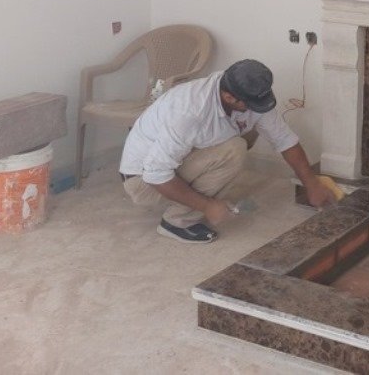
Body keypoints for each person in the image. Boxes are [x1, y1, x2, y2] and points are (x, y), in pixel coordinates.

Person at [119, 58, 333, 243]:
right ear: (229, 97)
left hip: (176, 160)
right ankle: (176, 222)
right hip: (142, 181)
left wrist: (311, 184)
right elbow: (155, 174)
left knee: (253, 130)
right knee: (235, 149)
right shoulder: (190, 112)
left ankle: (192, 199)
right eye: (251, 105)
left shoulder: (245, 92)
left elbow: (284, 140)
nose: (258, 109)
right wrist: (207, 205)